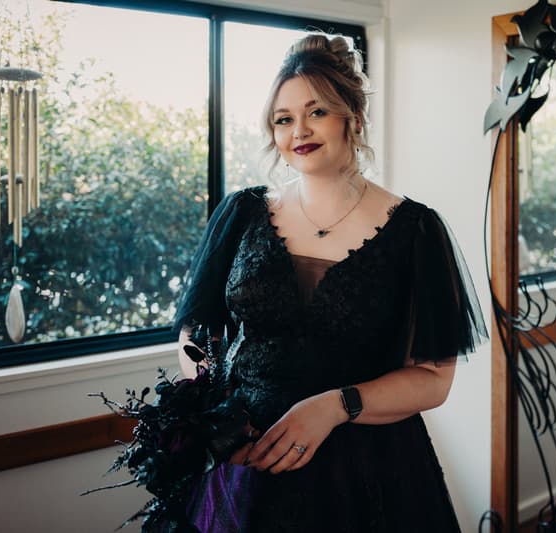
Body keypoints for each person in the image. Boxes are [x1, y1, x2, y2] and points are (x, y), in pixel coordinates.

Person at [172, 33, 487, 532]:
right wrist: (219, 414)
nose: (299, 129)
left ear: (353, 118)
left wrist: (335, 407)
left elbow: (433, 379)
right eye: (283, 119)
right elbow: (197, 333)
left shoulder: (416, 232)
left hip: (369, 473)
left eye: (316, 112)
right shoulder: (241, 214)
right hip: (246, 462)